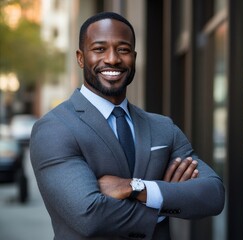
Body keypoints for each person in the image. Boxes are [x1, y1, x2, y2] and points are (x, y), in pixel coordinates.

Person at [30, 11, 225, 240]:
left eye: (123, 49)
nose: (112, 59)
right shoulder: (55, 128)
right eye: (99, 49)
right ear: (81, 57)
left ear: (134, 56)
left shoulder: (162, 128)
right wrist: (164, 199)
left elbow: (213, 195)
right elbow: (89, 215)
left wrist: (137, 187)